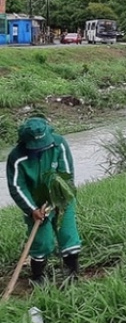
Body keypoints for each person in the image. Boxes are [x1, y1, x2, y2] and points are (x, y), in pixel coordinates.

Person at [6, 117, 81, 284]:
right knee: (42, 241)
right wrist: (32, 209)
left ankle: (72, 272)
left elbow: (67, 175)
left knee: (68, 233)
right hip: (35, 205)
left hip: (62, 199)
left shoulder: (59, 144)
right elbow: (17, 187)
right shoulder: (16, 158)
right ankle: (39, 276)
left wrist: (56, 199)